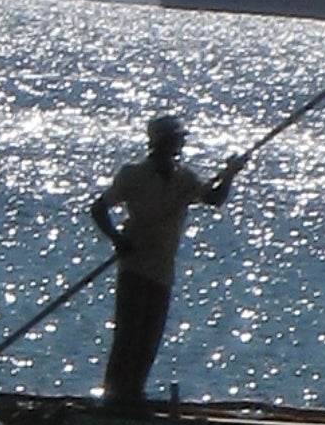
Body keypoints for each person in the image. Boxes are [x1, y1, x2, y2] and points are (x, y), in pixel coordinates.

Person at [90, 114, 245, 406]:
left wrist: (229, 174)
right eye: (176, 139)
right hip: (134, 268)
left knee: (149, 337)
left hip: (162, 271)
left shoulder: (184, 179)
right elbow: (99, 208)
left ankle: (133, 393)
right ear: (161, 142)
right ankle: (114, 395)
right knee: (128, 334)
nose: (180, 144)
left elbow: (213, 199)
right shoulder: (133, 175)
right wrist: (117, 239)